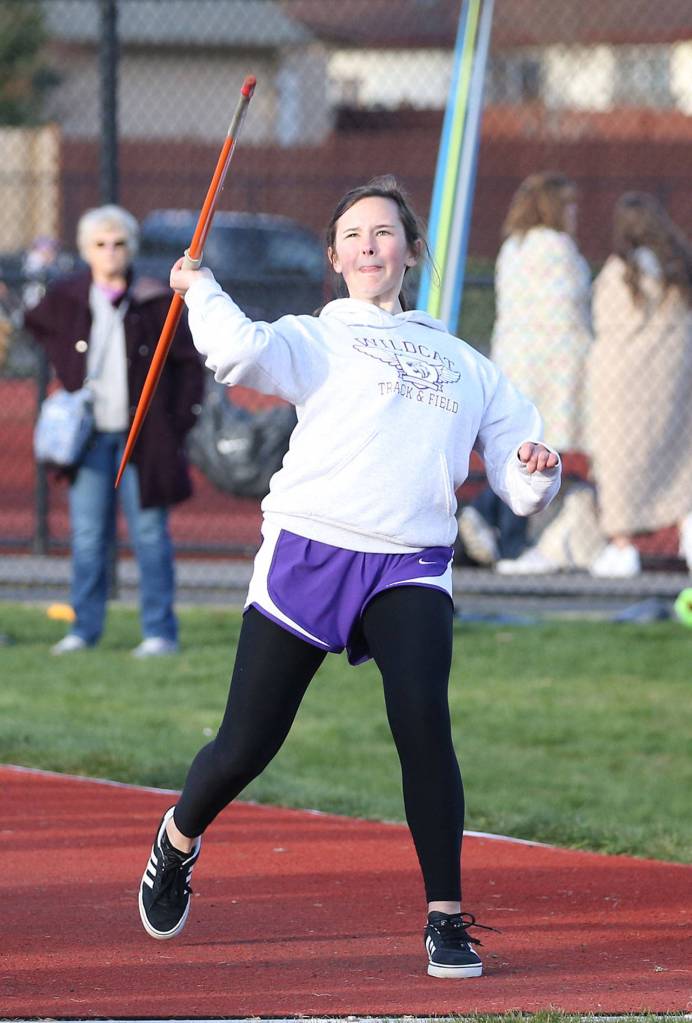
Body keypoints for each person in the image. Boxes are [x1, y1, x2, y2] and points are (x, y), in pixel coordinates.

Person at [137, 176, 561, 979]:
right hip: (313, 550)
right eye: (354, 236)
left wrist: (534, 468)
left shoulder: (463, 360)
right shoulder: (318, 336)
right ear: (334, 258)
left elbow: (519, 461)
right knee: (245, 745)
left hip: (411, 563)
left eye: (384, 233)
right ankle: (179, 835)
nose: (370, 245)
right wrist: (201, 287)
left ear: (410, 252)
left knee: (423, 726)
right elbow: (239, 352)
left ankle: (444, 920)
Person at [25, 205, 204, 655]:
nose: (110, 252)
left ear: (131, 248)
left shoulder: (153, 298)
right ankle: (83, 630)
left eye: (119, 243)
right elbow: (34, 326)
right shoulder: (67, 298)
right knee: (87, 537)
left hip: (143, 439)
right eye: (100, 244)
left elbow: (186, 366)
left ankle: (159, 632)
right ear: (86, 250)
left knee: (149, 535)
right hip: (88, 440)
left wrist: (176, 424)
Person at [457, 171, 592, 574]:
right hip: (552, 367)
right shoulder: (557, 248)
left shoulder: (513, 248)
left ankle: (490, 521)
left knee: (518, 447)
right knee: (535, 454)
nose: (573, 213)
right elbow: (567, 314)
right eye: (567, 204)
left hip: (515, 359)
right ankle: (505, 536)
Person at [586, 192, 692, 577]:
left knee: (620, 460)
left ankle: (622, 545)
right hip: (672, 379)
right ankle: (686, 524)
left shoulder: (619, 272)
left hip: (621, 381)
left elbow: (603, 320)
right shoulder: (677, 269)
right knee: (678, 455)